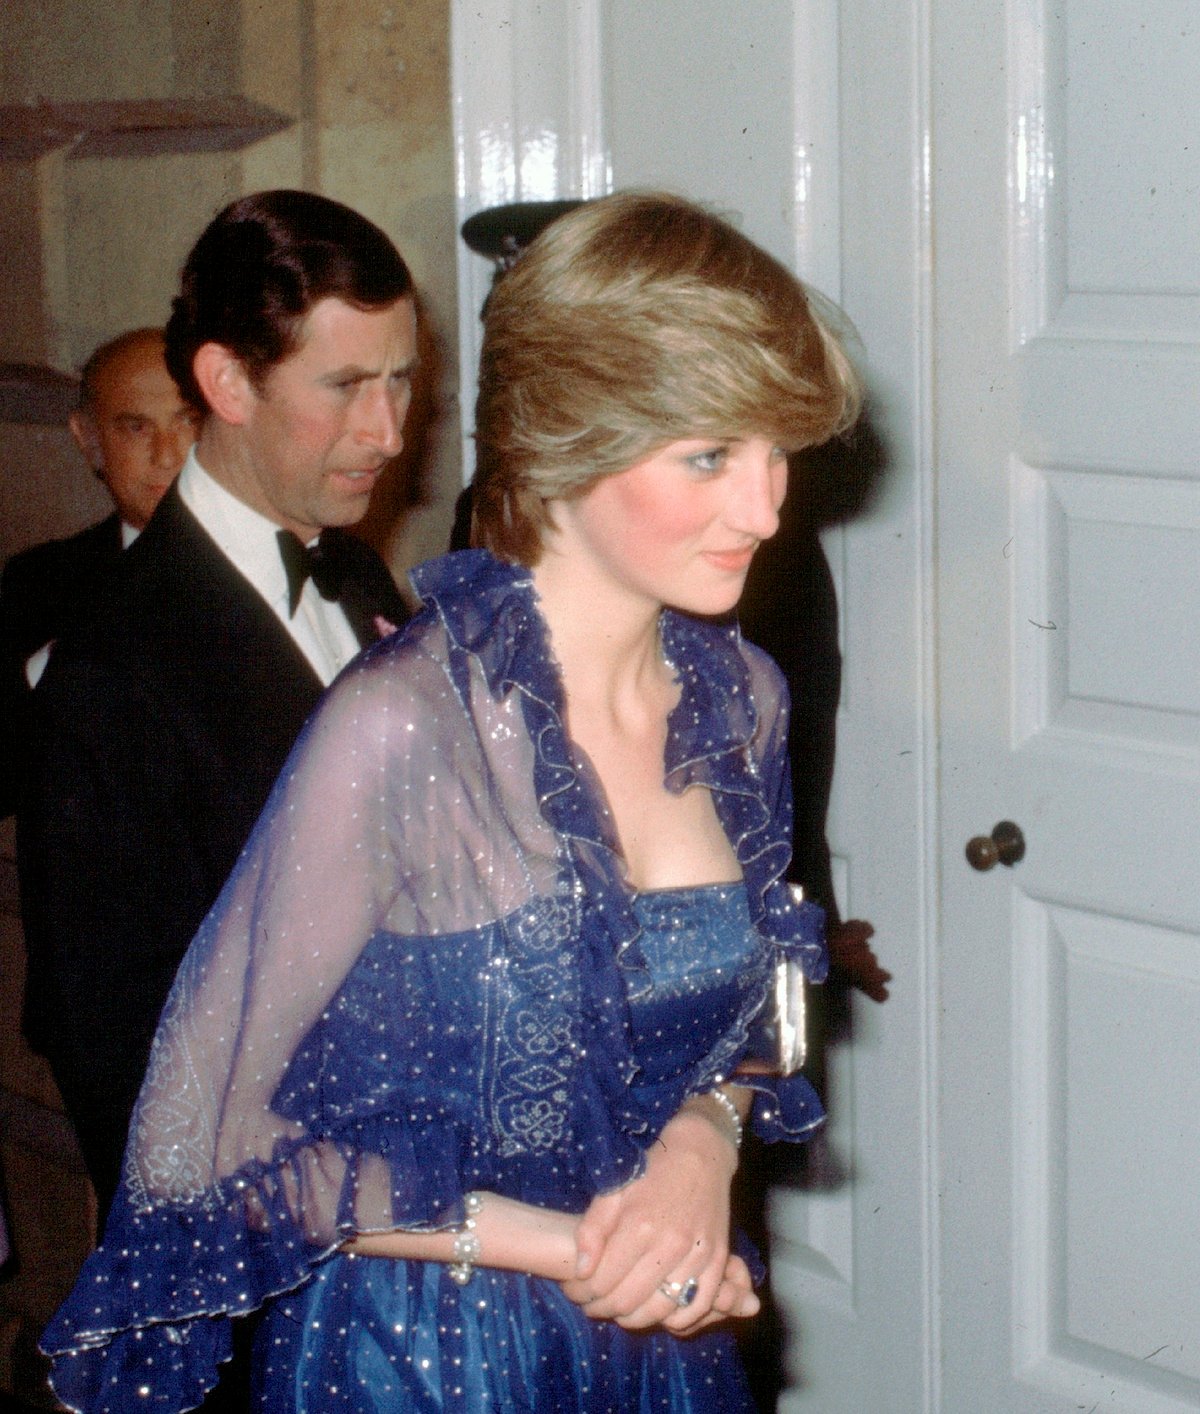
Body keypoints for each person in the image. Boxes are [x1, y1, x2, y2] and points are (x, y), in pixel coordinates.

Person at [41, 191, 861, 1413]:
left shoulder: (742, 695)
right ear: (569, 436)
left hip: (663, 1333)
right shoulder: (401, 722)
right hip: (431, 1356)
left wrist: (706, 1144)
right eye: (709, 456)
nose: (767, 507)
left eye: (777, 452)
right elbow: (197, 1147)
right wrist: (577, 1248)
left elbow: (759, 1007)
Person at [18, 190, 413, 1230]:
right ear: (227, 381)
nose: (388, 431)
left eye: (402, 381)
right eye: (345, 386)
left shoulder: (361, 574)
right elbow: (129, 1073)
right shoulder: (112, 665)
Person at [0, 327, 197, 817]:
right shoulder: (41, 584)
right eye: (135, 427)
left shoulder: (312, 566)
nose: (168, 455)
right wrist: (66, 657)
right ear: (88, 441)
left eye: (188, 421)